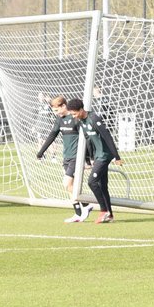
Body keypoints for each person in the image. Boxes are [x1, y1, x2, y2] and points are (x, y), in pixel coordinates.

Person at [37, 94, 92, 223]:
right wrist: (41, 152)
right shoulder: (59, 119)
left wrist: (88, 159)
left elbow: (87, 138)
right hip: (66, 156)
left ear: (63, 106)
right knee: (70, 187)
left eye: (57, 110)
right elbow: (52, 135)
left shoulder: (75, 118)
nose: (55, 113)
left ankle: (86, 204)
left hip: (76, 157)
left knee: (66, 183)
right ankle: (78, 213)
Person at [68, 97, 122, 224]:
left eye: (74, 114)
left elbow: (107, 137)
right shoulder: (81, 121)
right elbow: (89, 141)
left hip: (105, 155)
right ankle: (109, 215)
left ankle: (103, 210)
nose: (74, 116)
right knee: (102, 186)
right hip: (98, 156)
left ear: (81, 110)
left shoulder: (94, 119)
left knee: (92, 182)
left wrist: (117, 156)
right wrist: (89, 159)